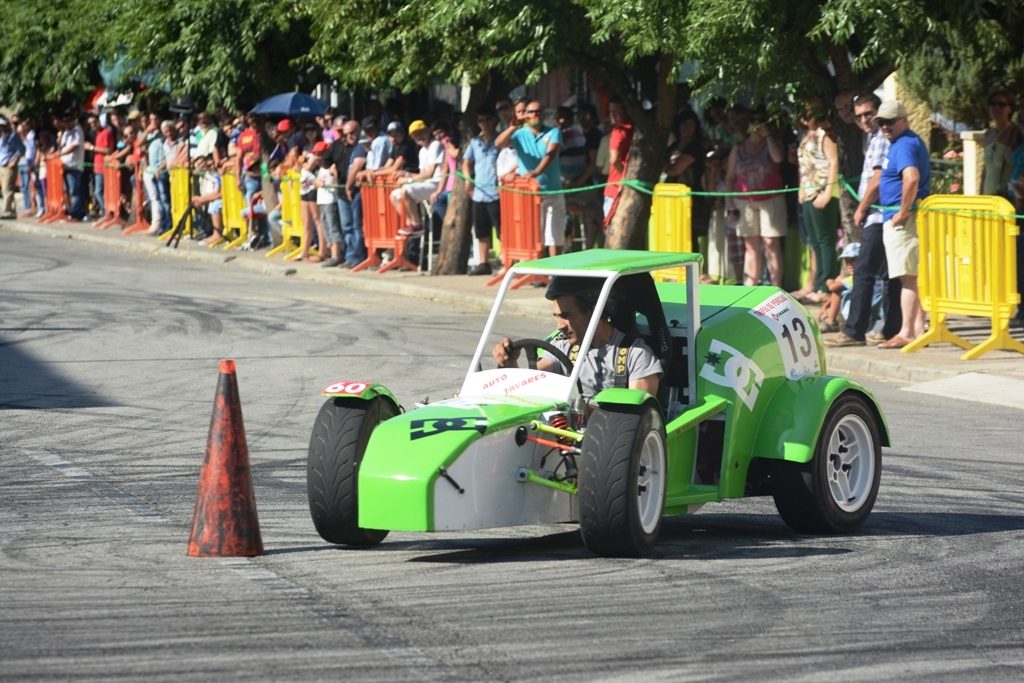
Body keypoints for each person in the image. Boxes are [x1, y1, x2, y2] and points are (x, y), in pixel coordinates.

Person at [490, 276, 662, 402]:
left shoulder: (636, 355)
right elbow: (531, 383)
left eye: (566, 316)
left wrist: (586, 413)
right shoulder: (563, 346)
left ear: (594, 312)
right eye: (557, 316)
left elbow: (640, 421)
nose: (559, 326)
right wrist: (509, 364)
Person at [825, 92, 902, 348]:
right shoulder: (872, 137)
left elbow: (878, 179)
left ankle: (855, 330)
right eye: (859, 116)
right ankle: (890, 328)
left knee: (864, 271)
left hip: (878, 214)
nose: (864, 120)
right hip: (880, 215)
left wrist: (861, 208)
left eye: (869, 114)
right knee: (886, 273)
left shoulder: (881, 139)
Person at [874, 99, 930, 349]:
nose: (885, 126)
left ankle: (907, 331)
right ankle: (918, 331)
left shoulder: (904, 144)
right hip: (907, 217)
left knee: (907, 276)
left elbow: (911, 177)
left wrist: (903, 212)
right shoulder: (904, 142)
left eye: (890, 122)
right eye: (881, 122)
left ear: (904, 120)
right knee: (914, 276)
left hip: (904, 219)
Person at [495, 98, 565, 257]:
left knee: (555, 236)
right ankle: (539, 275)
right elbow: (498, 143)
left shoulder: (553, 131)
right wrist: (514, 126)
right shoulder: (519, 134)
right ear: (525, 114)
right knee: (535, 237)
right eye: (531, 112)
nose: (535, 115)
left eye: (538, 112)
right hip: (530, 194)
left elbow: (551, 153)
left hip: (553, 191)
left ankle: (556, 275)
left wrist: (536, 171)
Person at [725, 109, 787, 286]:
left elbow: (778, 158)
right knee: (750, 246)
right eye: (755, 123)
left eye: (762, 123)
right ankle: (750, 286)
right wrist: (730, 206)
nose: (757, 126)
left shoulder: (772, 143)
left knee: (771, 243)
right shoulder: (738, 149)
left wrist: (767, 136)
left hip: (771, 199)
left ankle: (776, 287)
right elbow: (730, 177)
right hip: (744, 202)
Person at [463, 106, 501, 275]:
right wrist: (468, 181)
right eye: (480, 120)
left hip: (496, 191)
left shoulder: (500, 140)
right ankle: (483, 263)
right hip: (479, 192)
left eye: (487, 119)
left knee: (501, 229)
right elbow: (466, 162)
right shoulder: (474, 142)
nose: (483, 123)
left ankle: (506, 262)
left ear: (493, 121)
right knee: (481, 230)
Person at [982, 89, 1019, 199]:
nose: (996, 108)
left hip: (1007, 199)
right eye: (992, 104)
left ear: (1010, 109)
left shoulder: (1016, 133)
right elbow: (985, 170)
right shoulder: (988, 135)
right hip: (988, 197)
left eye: (1001, 104)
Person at [313, 140, 344, 267]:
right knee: (326, 227)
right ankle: (331, 254)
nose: (318, 157)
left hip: (331, 200)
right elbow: (316, 183)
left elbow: (335, 184)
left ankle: (337, 255)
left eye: (320, 154)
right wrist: (318, 183)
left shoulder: (332, 167)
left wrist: (323, 184)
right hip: (322, 200)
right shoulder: (321, 169)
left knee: (333, 227)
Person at [603, 98, 633, 224]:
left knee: (612, 230)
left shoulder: (618, 131)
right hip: (629, 187)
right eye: (610, 112)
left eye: (616, 112)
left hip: (615, 187)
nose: (612, 115)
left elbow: (614, 159)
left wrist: (624, 176)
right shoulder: (635, 129)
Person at [817, 242, 858, 333]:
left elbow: (832, 287)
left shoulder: (858, 277)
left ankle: (831, 321)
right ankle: (829, 315)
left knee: (838, 287)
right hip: (851, 312)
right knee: (839, 283)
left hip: (856, 314)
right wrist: (825, 306)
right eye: (847, 260)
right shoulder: (852, 278)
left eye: (853, 260)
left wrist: (830, 281)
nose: (849, 264)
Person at [0, 116, 25, 219]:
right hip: (2, 166)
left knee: (7, 189)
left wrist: (14, 161)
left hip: (9, 166)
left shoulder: (13, 136)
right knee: (6, 189)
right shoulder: (2, 137)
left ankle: (7, 211)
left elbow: (21, 149)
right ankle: (12, 211)